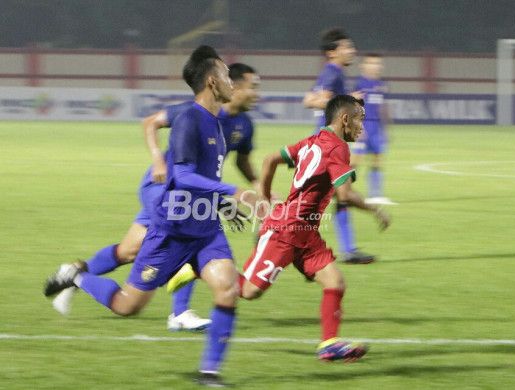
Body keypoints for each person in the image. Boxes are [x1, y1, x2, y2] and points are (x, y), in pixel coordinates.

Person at [43, 45, 256, 387]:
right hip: (171, 229)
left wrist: (222, 203)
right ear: (212, 81)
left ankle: (209, 373)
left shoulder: (217, 124)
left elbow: (204, 178)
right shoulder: (189, 118)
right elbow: (183, 176)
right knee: (128, 305)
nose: (232, 80)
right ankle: (77, 278)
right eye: (227, 75)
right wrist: (232, 191)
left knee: (227, 288)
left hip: (204, 228)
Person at [170, 95, 390, 362]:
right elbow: (344, 195)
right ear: (345, 119)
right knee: (249, 292)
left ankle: (329, 343)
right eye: (359, 120)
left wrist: (263, 196)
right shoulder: (338, 149)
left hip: (306, 232)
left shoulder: (314, 140)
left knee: (335, 281)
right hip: (285, 231)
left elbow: (271, 159)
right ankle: (195, 266)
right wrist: (373, 208)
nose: (362, 127)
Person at [302, 27, 374, 264]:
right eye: (346, 47)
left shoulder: (335, 73)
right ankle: (279, 236)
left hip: (329, 147)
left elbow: (312, 99)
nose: (351, 50)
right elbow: (315, 100)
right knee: (336, 196)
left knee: (338, 197)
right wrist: (348, 101)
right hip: (327, 149)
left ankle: (348, 249)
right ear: (332, 53)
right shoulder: (332, 72)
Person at [352, 53, 395, 205]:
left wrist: (387, 129)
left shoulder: (381, 84)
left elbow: (382, 107)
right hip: (363, 125)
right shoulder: (360, 84)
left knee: (377, 159)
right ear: (363, 65)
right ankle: (338, 190)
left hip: (377, 127)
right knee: (355, 161)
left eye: (377, 63)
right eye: (371, 63)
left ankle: (375, 195)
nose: (375, 66)